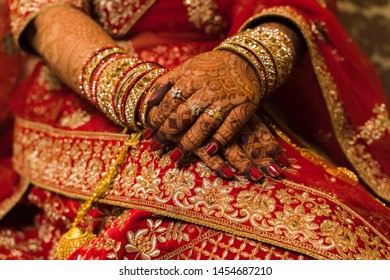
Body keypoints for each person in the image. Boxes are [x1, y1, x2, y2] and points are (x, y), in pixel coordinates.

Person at [0, 0, 389, 260]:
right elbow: (46, 13)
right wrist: (152, 98)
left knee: (342, 235)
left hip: (236, 85)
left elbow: (292, 5)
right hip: (92, 77)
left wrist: (246, 62)